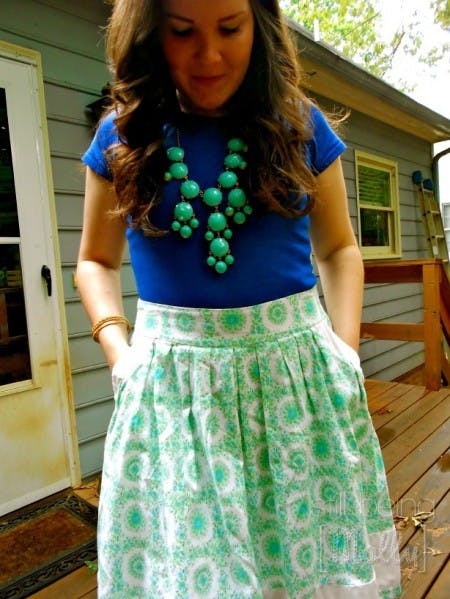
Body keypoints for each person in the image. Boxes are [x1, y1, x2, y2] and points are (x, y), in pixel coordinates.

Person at [77, 0, 401, 596]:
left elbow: (338, 250)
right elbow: (95, 261)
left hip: (297, 388)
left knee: (310, 568)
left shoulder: (299, 125)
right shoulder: (123, 136)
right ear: (151, 33)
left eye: (230, 28)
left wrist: (346, 352)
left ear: (260, 26)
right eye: (183, 32)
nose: (209, 55)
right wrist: (121, 355)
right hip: (176, 397)